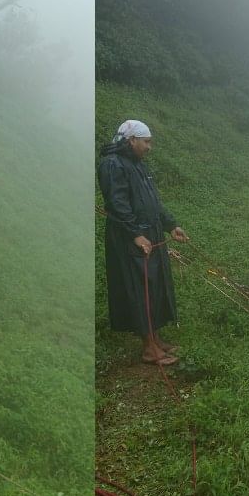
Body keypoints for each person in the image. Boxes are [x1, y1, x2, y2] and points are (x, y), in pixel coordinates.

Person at [96, 119, 189, 365]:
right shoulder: (112, 164)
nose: (149, 147)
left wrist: (170, 225)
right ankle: (148, 348)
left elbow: (153, 201)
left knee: (154, 285)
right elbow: (117, 204)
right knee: (140, 288)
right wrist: (135, 234)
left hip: (151, 232)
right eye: (146, 142)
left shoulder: (137, 165)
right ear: (132, 140)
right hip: (130, 238)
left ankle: (155, 339)